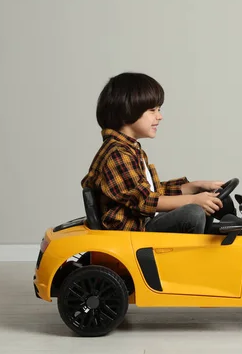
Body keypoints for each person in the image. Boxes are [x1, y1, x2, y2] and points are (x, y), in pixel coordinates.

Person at [81, 72, 224, 233]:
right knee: (193, 213)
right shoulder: (117, 154)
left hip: (143, 223)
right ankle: (192, 257)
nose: (159, 116)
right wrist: (193, 201)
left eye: (159, 109)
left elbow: (152, 192)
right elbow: (145, 201)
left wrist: (194, 187)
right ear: (127, 110)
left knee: (212, 206)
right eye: (152, 110)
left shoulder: (131, 149)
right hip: (135, 233)